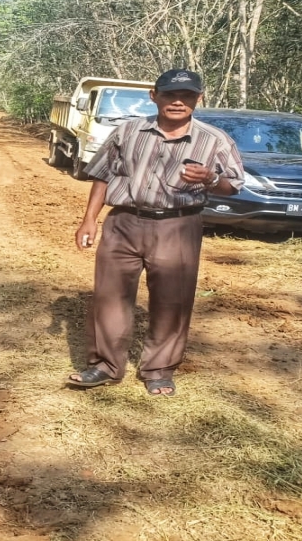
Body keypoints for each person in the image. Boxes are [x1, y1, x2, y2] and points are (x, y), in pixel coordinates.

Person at [68, 69, 244, 396]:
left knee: (172, 300)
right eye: (169, 95)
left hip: (178, 226)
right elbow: (103, 176)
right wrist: (89, 219)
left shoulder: (215, 140)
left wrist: (209, 179)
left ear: (199, 99)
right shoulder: (128, 132)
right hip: (124, 222)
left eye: (187, 96)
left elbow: (232, 186)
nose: (178, 102)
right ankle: (105, 366)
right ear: (154, 96)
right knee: (109, 296)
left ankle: (159, 369)